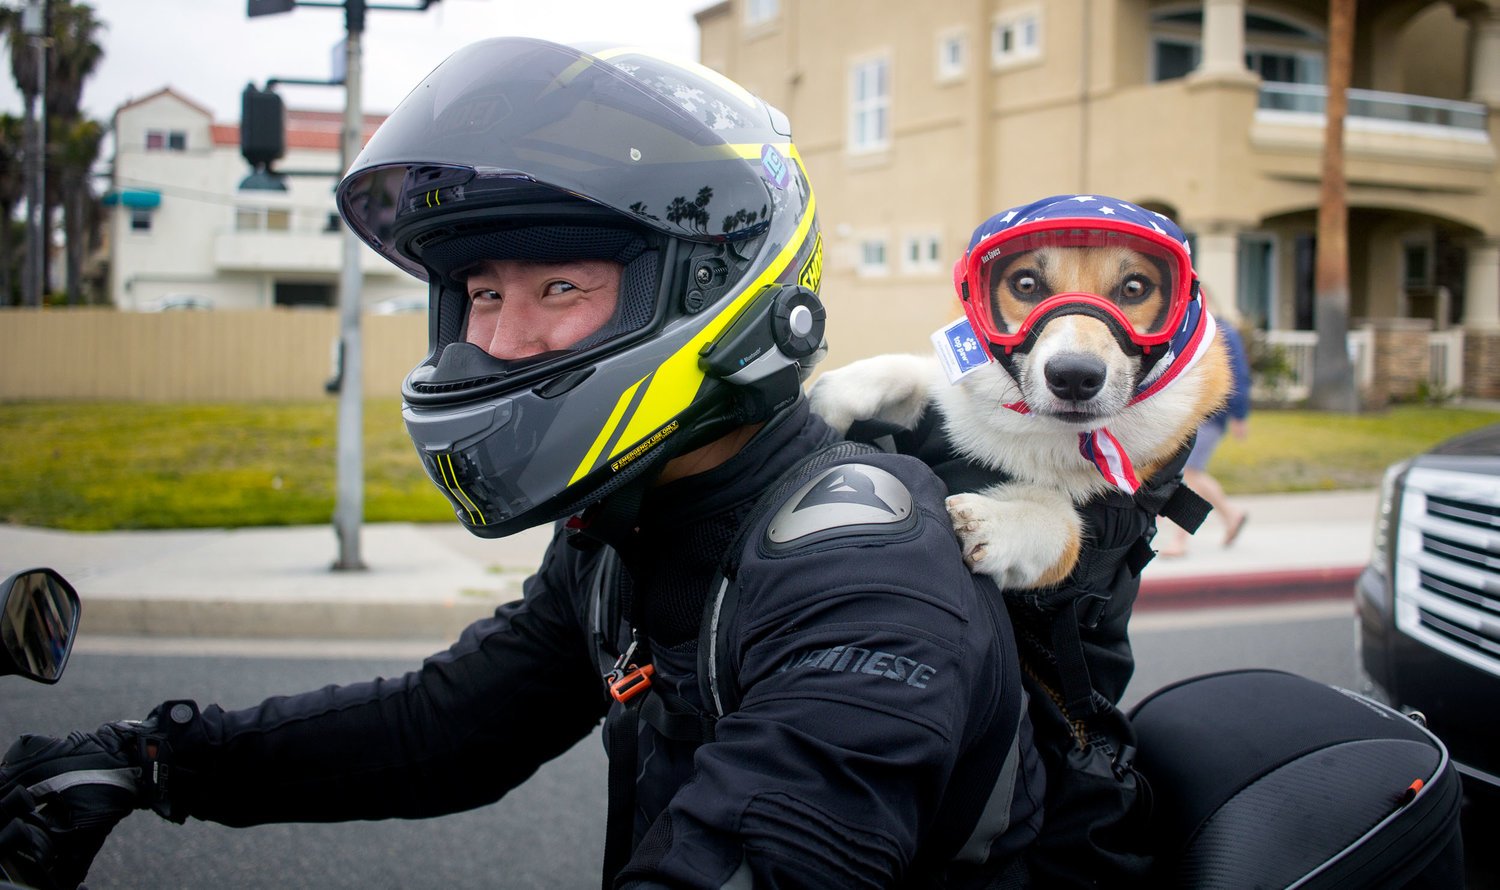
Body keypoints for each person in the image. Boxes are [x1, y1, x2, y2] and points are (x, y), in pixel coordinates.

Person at [0, 39, 1044, 889]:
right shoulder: (630, 522)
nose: (497, 339)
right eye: (484, 294)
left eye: (557, 288)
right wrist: (152, 757)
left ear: (713, 283)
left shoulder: (864, 571)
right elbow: (454, 724)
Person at [1158, 285, 1252, 558]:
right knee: (1193, 473)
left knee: (1189, 476)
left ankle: (1180, 540)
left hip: (1212, 415)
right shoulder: (1188, 330)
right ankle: (1232, 515)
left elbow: (1238, 376)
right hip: (1190, 415)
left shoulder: (1222, 332)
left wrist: (1239, 415)